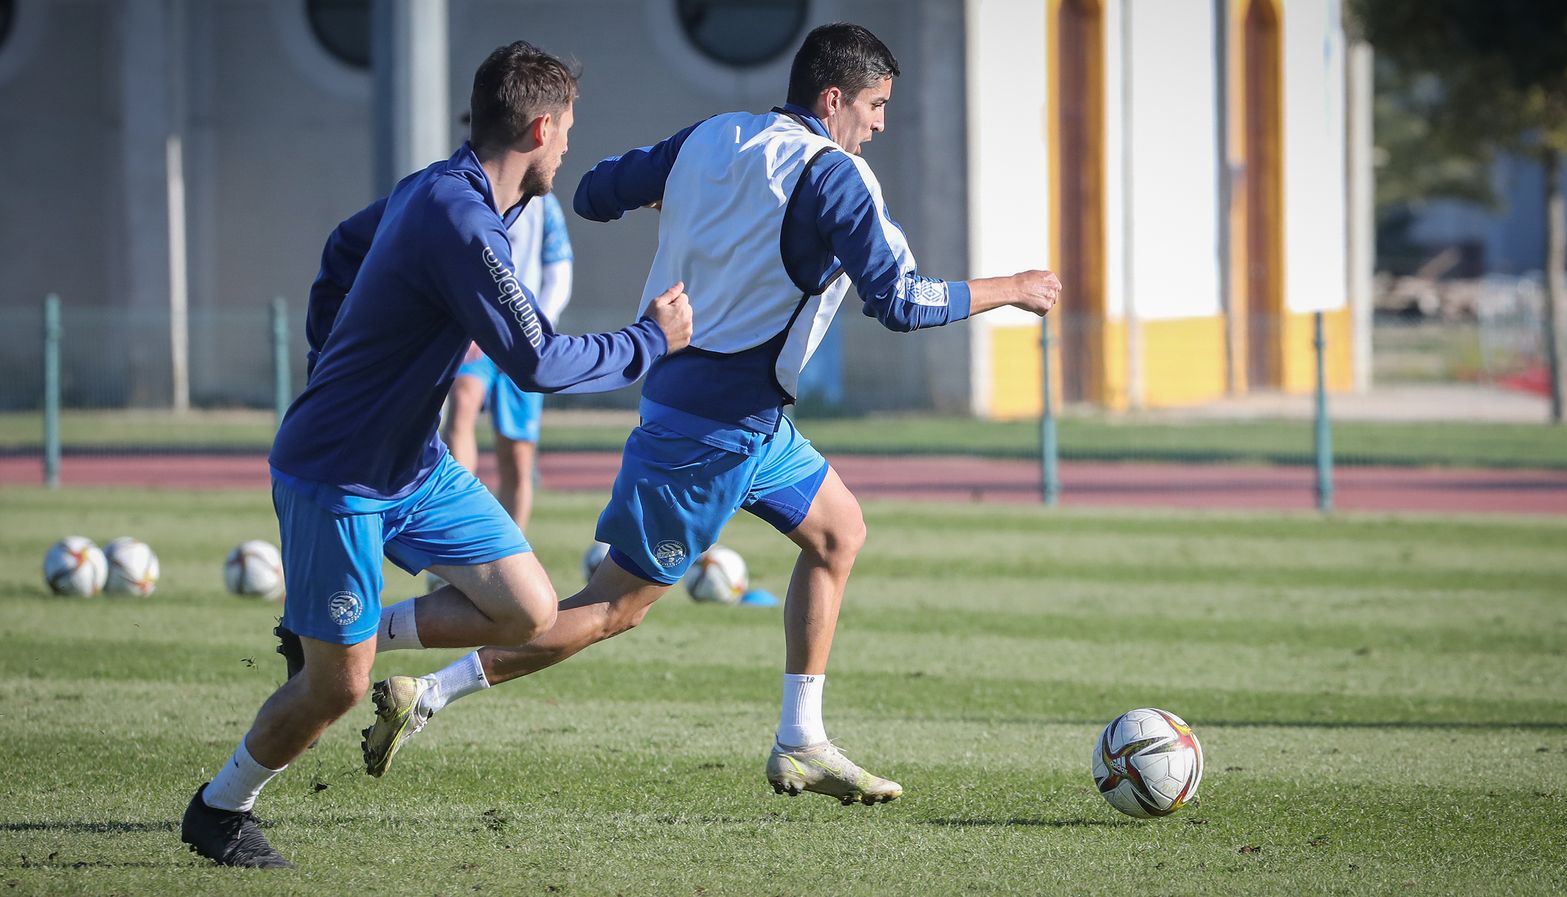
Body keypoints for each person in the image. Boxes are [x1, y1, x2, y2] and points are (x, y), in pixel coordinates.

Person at [361, 22, 1059, 806]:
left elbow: (591, 193)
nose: (881, 123)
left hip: (742, 415)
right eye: (876, 104)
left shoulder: (713, 135)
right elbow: (898, 300)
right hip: (712, 432)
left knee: (839, 533)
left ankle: (801, 739)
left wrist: (697, 194)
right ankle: (402, 670)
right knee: (608, 609)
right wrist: (1013, 287)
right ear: (834, 99)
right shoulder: (837, 176)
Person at [178, 41, 692, 868]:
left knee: (526, 608)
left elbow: (343, 249)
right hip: (337, 474)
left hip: (412, 466)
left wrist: (332, 350)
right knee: (337, 689)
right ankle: (219, 808)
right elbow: (539, 361)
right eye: (565, 132)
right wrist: (649, 341)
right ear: (538, 124)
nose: (567, 149)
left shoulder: (434, 189)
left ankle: (342, 633)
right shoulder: (462, 220)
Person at [442, 191, 575, 530]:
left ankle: (511, 554)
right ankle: (457, 526)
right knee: (462, 401)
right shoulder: (463, 196)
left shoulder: (543, 205)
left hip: (524, 339)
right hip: (475, 335)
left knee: (516, 456)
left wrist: (534, 331)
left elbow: (559, 271)